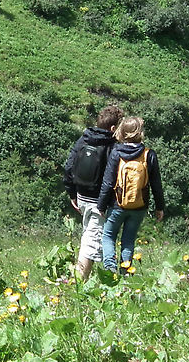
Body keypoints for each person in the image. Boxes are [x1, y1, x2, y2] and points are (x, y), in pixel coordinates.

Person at [63, 105, 124, 281]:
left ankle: (84, 280)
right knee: (92, 241)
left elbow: (69, 167)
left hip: (81, 196)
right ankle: (79, 282)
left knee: (89, 233)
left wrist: (72, 193)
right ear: (113, 128)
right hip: (99, 202)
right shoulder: (112, 147)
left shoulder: (83, 139)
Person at [97, 116, 165, 274]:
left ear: (122, 132)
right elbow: (156, 185)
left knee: (108, 236)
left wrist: (101, 205)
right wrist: (160, 207)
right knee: (128, 239)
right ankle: (125, 272)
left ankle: (109, 268)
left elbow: (107, 183)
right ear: (140, 132)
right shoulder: (149, 155)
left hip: (117, 204)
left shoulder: (116, 153)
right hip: (139, 205)